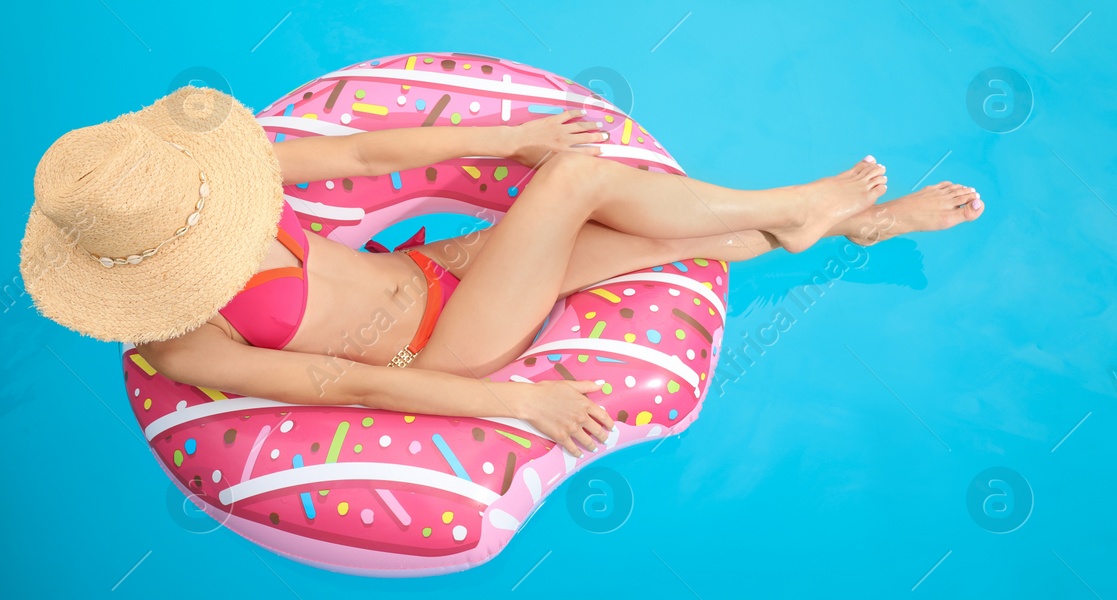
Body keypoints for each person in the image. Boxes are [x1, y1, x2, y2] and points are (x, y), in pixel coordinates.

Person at [20, 87, 983, 457]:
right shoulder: (183, 344)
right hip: (448, 343)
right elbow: (341, 382)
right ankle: (796, 204)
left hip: (431, 270)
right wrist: (521, 407)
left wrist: (507, 132)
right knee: (572, 182)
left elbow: (364, 160)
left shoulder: (210, 183)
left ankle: (855, 226)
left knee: (658, 240)